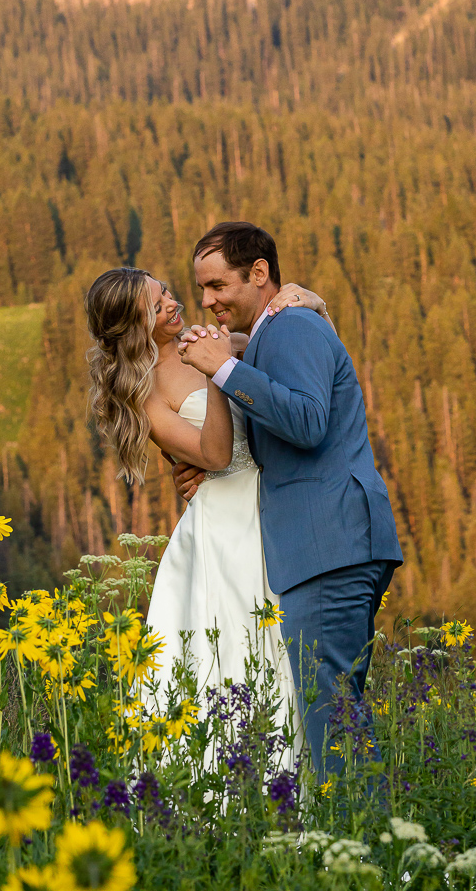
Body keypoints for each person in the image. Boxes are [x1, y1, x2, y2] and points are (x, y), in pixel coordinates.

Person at [174, 221, 402, 777]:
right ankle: (358, 849)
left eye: (218, 286)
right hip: (328, 547)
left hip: (330, 546)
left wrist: (222, 368)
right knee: (334, 716)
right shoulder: (274, 331)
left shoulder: (294, 325)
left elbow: (305, 421)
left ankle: (364, 858)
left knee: (333, 721)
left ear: (259, 273)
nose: (207, 301)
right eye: (202, 289)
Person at [83, 264, 328, 740]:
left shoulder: (201, 342)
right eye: (157, 306)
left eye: (166, 292)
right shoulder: (144, 395)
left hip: (269, 504)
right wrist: (216, 375)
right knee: (240, 652)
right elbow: (213, 455)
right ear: (137, 327)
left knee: (286, 649)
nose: (173, 303)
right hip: (224, 530)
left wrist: (306, 299)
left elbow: (274, 353)